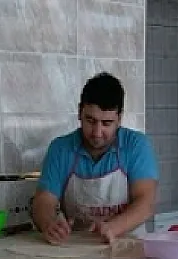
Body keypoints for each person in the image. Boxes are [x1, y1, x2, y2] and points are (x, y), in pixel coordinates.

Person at [31, 72, 159, 244]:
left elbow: (146, 202)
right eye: (90, 121)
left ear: (119, 119)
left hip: (126, 244)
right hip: (74, 247)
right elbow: (44, 200)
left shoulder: (136, 145)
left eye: (106, 123)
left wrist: (113, 227)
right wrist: (49, 223)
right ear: (79, 112)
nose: (97, 133)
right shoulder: (61, 149)